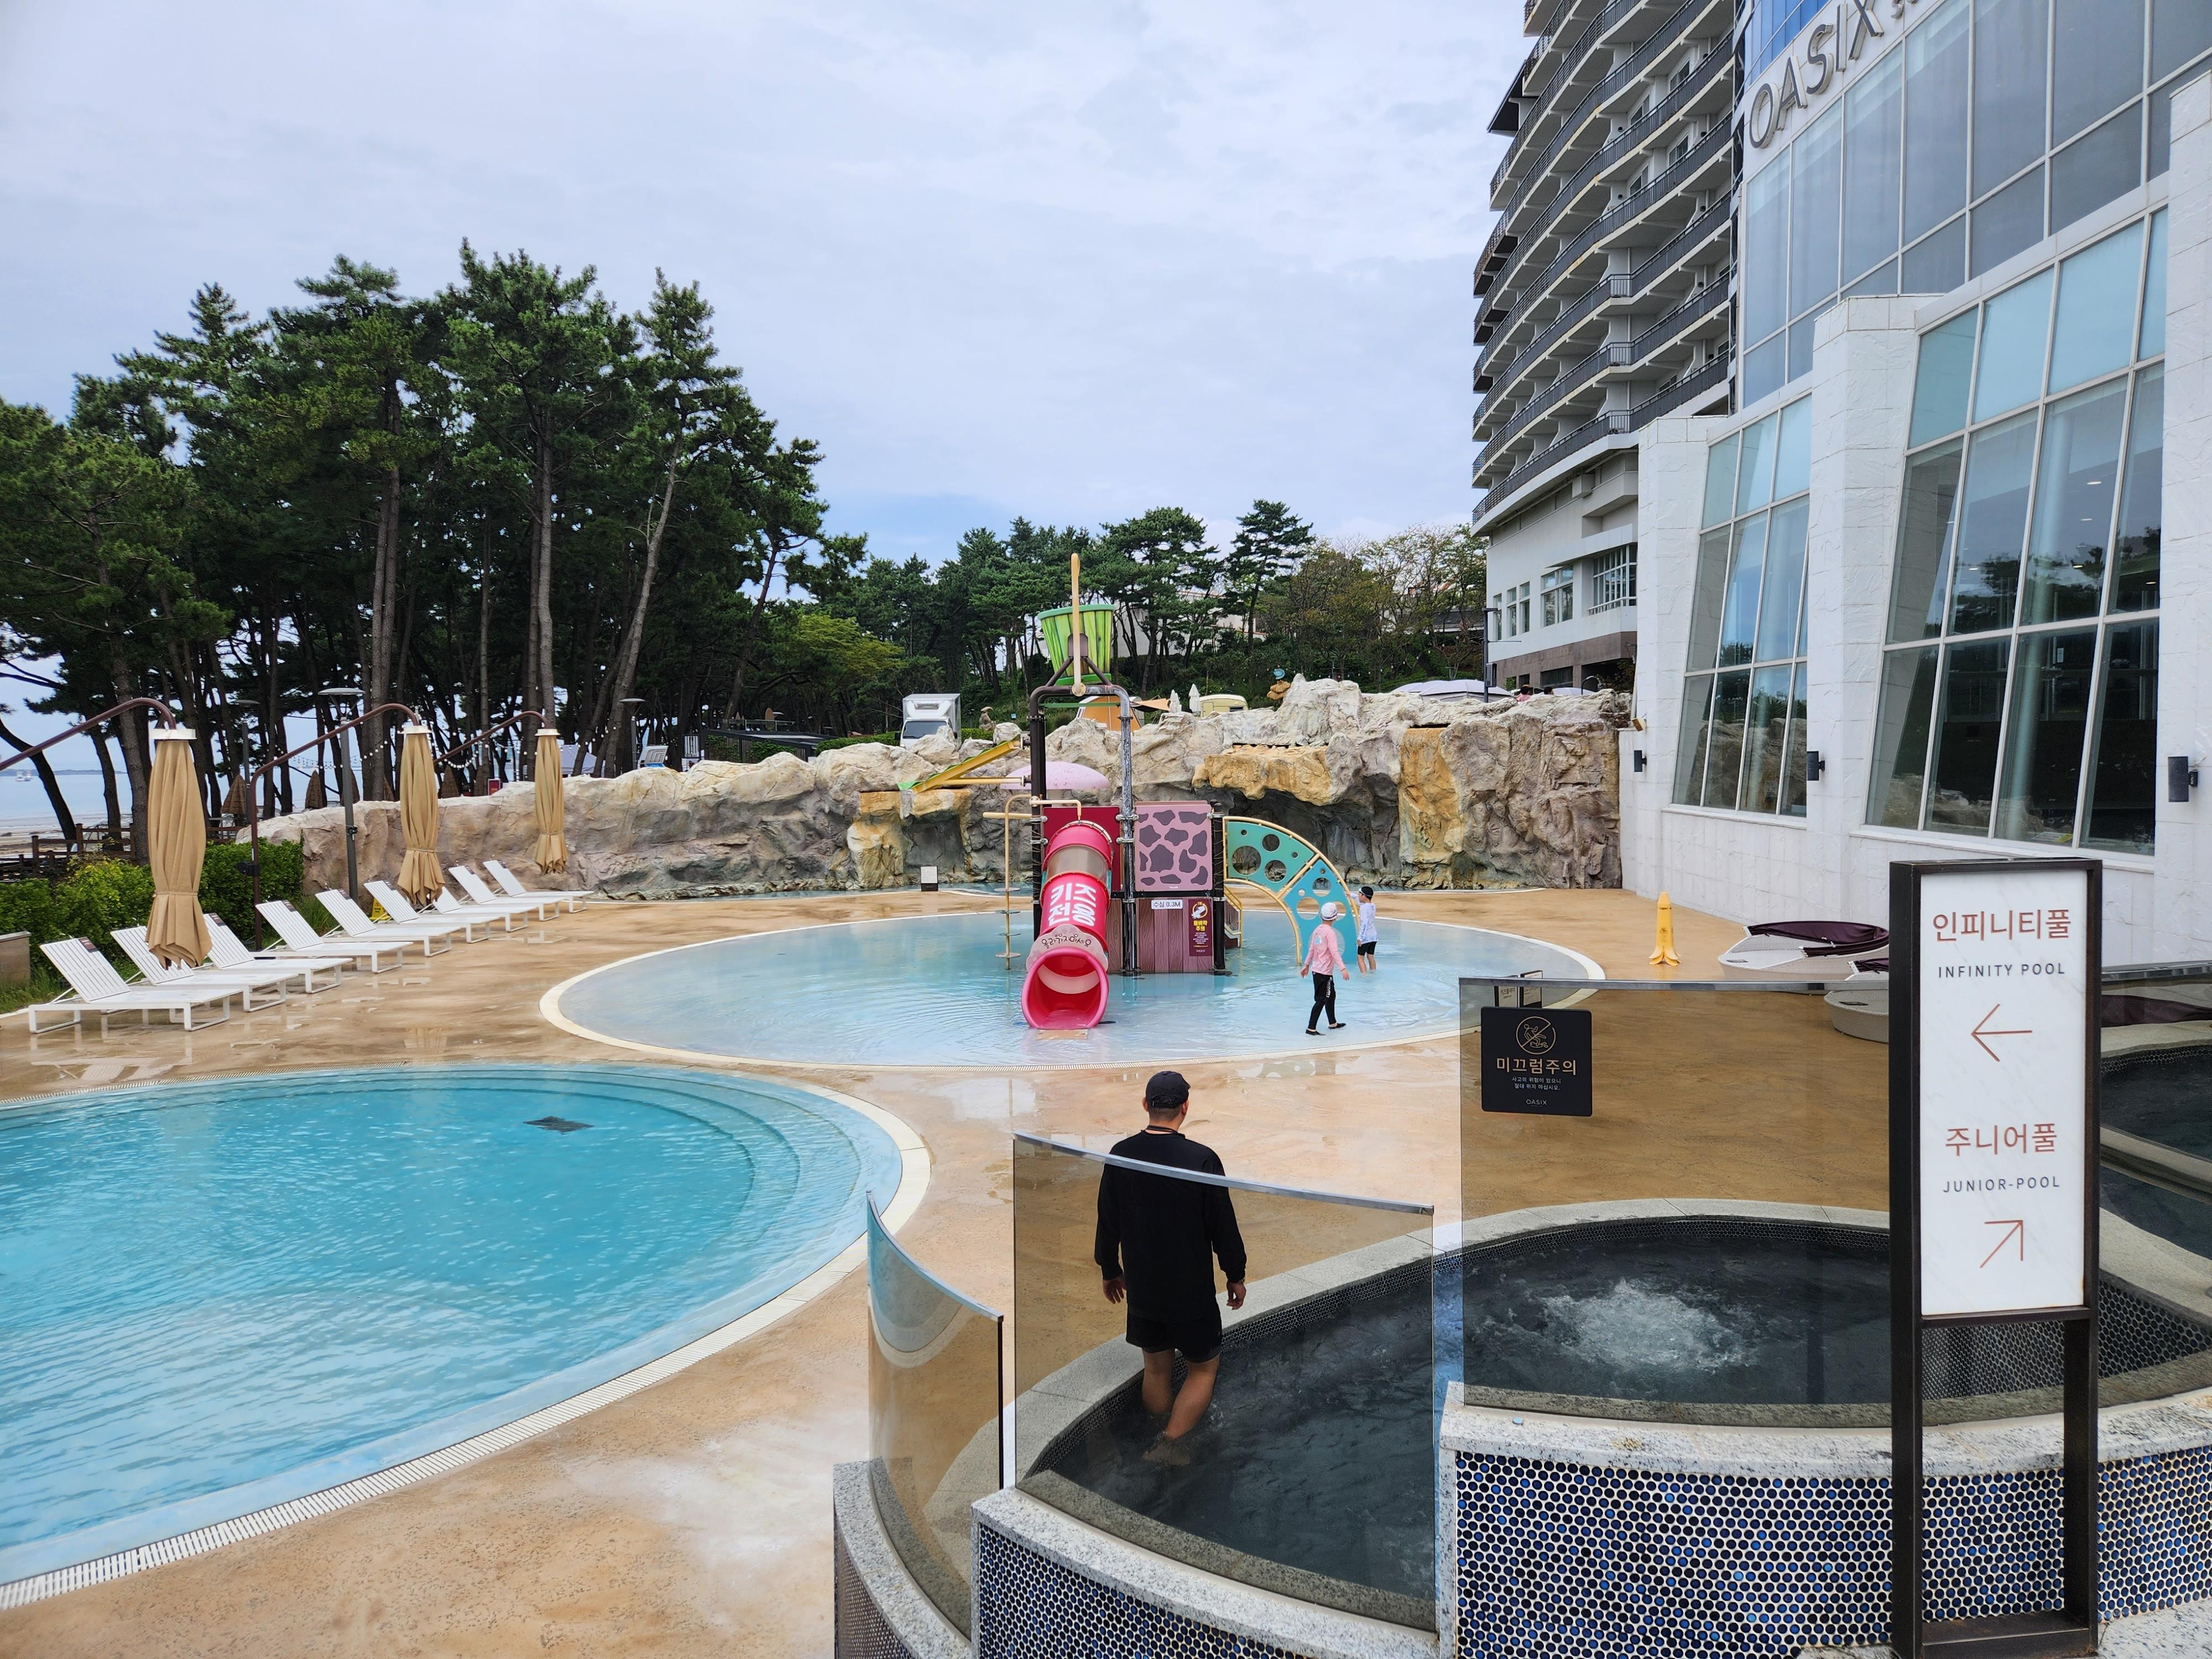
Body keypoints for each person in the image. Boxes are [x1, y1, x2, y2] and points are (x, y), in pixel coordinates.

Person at [1095, 1071, 1248, 1465]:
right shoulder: (1201, 1159)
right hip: (1189, 1289)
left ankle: (1152, 1435)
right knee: (1202, 1370)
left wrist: (1109, 1268)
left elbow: (1108, 1219)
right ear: (1185, 1108)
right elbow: (1222, 1224)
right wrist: (1235, 1274)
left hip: (1143, 1285)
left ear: (1146, 1105)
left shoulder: (1120, 1153)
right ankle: (1170, 1444)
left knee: (1157, 1370)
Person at [1300, 900, 1348, 1033]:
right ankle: (1311, 1028)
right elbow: (1334, 952)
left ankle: (1333, 1023)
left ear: (1321, 916)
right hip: (1325, 973)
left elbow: (1312, 949)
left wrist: (1306, 965)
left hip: (1317, 971)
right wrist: (1343, 968)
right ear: (1335, 917)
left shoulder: (1318, 931)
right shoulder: (1330, 933)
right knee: (1322, 999)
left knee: (1331, 996)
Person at [1354, 885, 1378, 973]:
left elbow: (1364, 923)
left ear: (1364, 896)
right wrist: (1353, 896)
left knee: (1360, 958)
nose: (1358, 896)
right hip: (1373, 936)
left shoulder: (1364, 908)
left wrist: (1360, 938)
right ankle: (1373, 973)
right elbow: (1362, 903)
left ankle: (1364, 976)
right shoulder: (1372, 906)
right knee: (1370, 956)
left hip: (1366, 937)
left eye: (1359, 895)